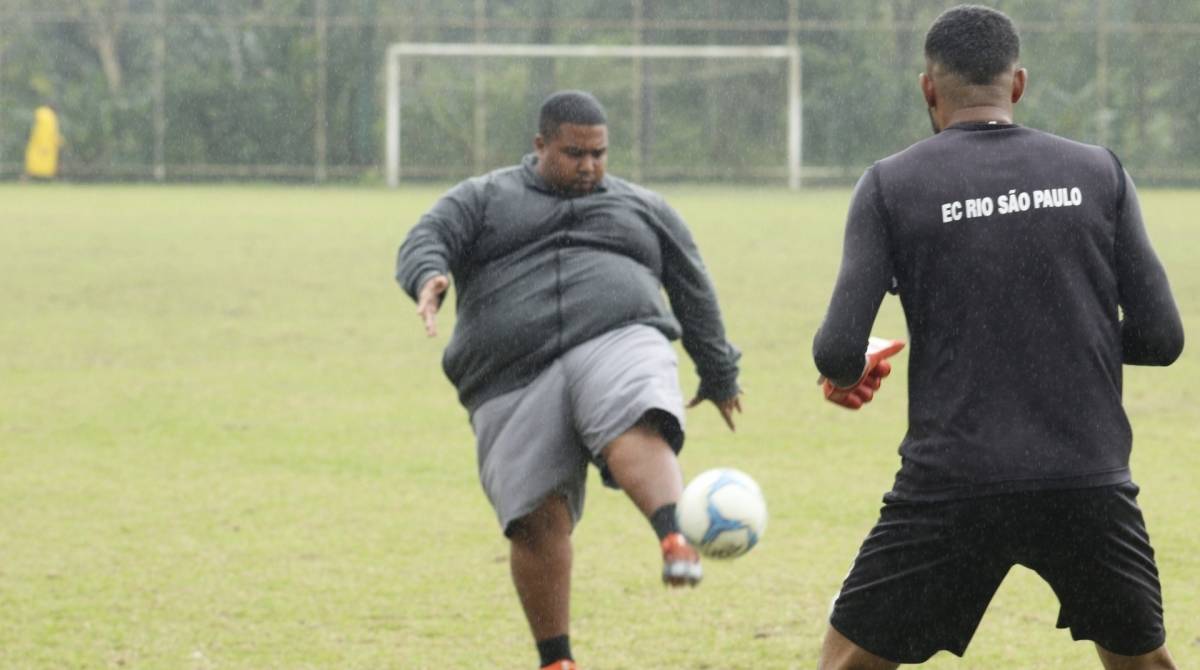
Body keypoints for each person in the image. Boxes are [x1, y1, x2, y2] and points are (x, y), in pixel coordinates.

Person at [812, 5, 1184, 669]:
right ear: (1017, 84)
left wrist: (852, 368)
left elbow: (838, 352)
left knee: (846, 663)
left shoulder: (890, 184)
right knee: (1144, 663)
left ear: (928, 88)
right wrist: (1058, 329)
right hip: (1084, 479)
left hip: (953, 480)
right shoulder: (1100, 172)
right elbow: (1161, 337)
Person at [395, 90, 742, 670]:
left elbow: (692, 285)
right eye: (574, 153)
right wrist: (428, 277)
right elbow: (426, 238)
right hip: (509, 371)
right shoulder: (484, 198)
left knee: (632, 409)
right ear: (539, 146)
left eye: (599, 154)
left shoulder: (642, 207)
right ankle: (557, 660)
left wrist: (719, 371)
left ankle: (675, 534)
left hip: (618, 333)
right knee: (534, 516)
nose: (588, 166)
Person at [24, 105, 64, 181]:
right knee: (49, 165)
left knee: (31, 165)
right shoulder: (51, 118)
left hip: (35, 144)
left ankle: (27, 179)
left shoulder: (39, 115)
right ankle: (54, 179)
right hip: (47, 146)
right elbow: (51, 133)